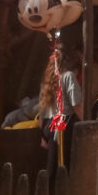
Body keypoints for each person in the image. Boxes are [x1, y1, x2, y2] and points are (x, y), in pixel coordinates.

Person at [39, 44, 83, 178]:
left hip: (48, 125)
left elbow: (42, 110)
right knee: (62, 166)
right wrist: (86, 122)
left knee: (53, 165)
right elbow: (76, 105)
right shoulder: (68, 76)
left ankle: (49, 194)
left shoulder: (46, 81)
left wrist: (42, 135)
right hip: (63, 126)